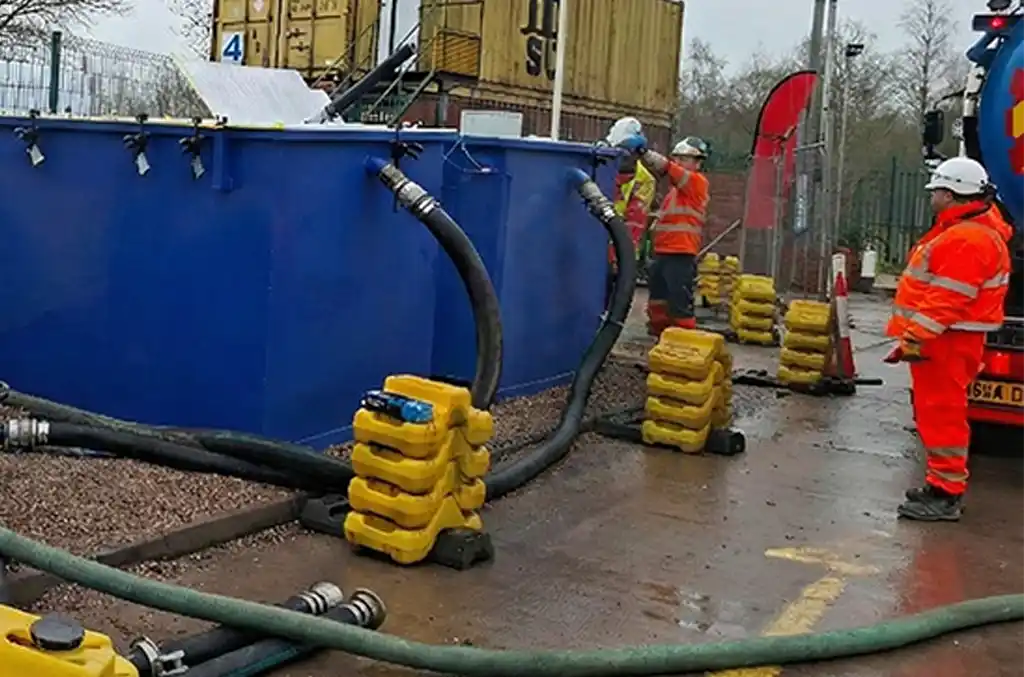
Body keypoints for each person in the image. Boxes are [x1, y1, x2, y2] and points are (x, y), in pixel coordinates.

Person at [884, 156, 1013, 522]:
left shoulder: (967, 238)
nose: (932, 196)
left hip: (947, 340)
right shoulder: (966, 230)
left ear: (951, 192)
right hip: (948, 339)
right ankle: (940, 483)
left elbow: (947, 299)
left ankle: (945, 493)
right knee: (937, 412)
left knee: (942, 414)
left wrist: (915, 336)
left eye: (936, 190)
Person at [617, 133, 710, 335]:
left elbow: (668, 169)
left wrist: (645, 153)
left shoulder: (697, 183)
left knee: (679, 302)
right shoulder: (675, 193)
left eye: (684, 158)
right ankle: (659, 335)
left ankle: (684, 341)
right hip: (663, 252)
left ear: (698, 163)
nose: (679, 162)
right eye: (677, 157)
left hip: (681, 252)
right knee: (658, 300)